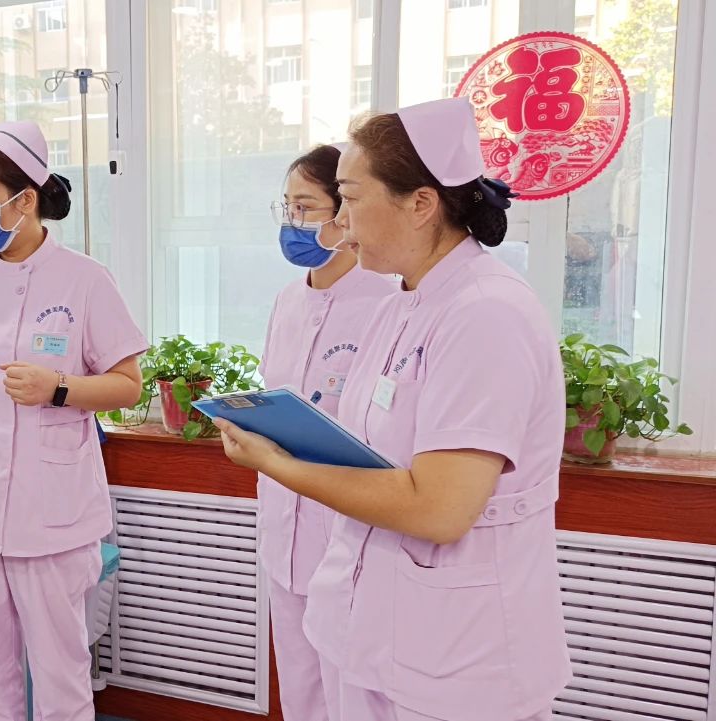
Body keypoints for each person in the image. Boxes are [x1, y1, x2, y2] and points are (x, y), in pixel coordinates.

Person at [216, 98, 570, 720]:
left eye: (350, 198)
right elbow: (369, 452)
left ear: (421, 204)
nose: (339, 221)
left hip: (457, 648)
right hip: (368, 624)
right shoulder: (402, 305)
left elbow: (439, 508)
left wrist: (277, 464)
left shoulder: (487, 312)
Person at [0, 120, 148, 721]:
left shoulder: (84, 279)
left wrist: (59, 388)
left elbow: (129, 385)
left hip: (49, 511)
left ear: (24, 199)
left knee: (60, 671)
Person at [262, 143, 396, 721]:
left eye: (306, 207)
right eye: (287, 207)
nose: (293, 222)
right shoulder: (286, 302)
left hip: (349, 528)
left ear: (345, 211)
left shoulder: (388, 302)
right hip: (283, 525)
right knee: (298, 686)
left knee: (351, 693)